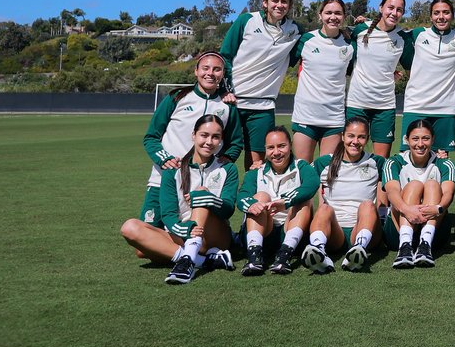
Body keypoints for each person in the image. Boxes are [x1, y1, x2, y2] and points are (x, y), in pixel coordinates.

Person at [121, 115, 239, 284]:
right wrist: (186, 230)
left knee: (201, 193)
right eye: (204, 135)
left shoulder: (227, 168)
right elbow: (168, 214)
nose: (209, 141)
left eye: (215, 137)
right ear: (193, 135)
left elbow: (228, 209)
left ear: (221, 140)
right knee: (130, 228)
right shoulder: (173, 169)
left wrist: (206, 198)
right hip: (184, 233)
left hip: (215, 235)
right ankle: (203, 260)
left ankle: (187, 264)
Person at [135, 52, 240, 231]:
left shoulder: (227, 106)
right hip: (163, 179)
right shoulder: (177, 98)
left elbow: (236, 142)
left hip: (202, 185)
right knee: (144, 241)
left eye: (216, 69)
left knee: (200, 231)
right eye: (205, 68)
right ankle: (182, 249)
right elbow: (151, 137)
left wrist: (225, 159)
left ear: (223, 74)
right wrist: (164, 159)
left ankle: (196, 249)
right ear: (196, 71)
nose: (210, 73)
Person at [220, 0, 303, 168]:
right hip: (234, 101)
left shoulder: (295, 30)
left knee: (256, 162)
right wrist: (226, 89)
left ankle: (250, 195)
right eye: (275, 0)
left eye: (284, 1)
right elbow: (225, 56)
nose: (279, 5)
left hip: (263, 106)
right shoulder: (246, 21)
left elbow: (311, 44)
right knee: (221, 155)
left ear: (289, 5)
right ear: (265, 2)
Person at [302, 116, 383, 273]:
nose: (355, 141)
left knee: (367, 205)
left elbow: (403, 170)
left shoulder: (376, 162)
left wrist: (436, 160)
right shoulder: (324, 162)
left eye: (361, 137)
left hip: (365, 227)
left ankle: (359, 248)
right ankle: (319, 251)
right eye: (351, 136)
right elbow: (297, 173)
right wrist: (262, 165)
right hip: (334, 231)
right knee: (324, 209)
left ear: (367, 139)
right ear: (342, 136)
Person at [237, 126, 320, 276]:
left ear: (290, 145)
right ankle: (254, 256)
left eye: (281, 146)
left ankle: (284, 256)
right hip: (263, 232)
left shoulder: (301, 166)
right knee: (261, 196)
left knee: (305, 201)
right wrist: (252, 205)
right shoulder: (256, 171)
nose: (276, 152)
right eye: (271, 148)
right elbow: (241, 196)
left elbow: (312, 184)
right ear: (265, 150)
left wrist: (286, 201)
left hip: (292, 232)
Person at [400, 0, 455, 159]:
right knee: (407, 158)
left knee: (441, 160)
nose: (441, 17)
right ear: (431, 16)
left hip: (446, 109)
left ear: (453, 15)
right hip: (416, 106)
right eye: (436, 12)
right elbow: (390, 36)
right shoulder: (418, 34)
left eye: (446, 12)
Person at [347, 0, 413, 159]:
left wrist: (397, 75)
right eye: (390, 7)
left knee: (381, 162)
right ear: (381, 7)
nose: (394, 13)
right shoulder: (361, 30)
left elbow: (412, 70)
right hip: (357, 104)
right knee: (351, 158)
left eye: (399, 10)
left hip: (384, 107)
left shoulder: (402, 38)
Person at [383, 119, 455, 269]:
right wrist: (406, 209)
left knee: (431, 184)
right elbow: (392, 191)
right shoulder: (394, 162)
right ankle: (404, 247)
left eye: (426, 138)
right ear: (406, 140)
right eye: (415, 138)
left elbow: (448, 193)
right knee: (414, 185)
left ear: (433, 140)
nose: (420, 144)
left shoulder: (444, 163)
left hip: (435, 229)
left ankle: (425, 245)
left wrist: (438, 208)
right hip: (399, 228)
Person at [290, 0, 355, 163]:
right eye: (328, 12)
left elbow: (362, 69)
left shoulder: (349, 44)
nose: (333, 17)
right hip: (305, 116)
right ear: (320, 15)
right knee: (302, 173)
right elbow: (283, 62)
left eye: (338, 13)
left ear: (344, 16)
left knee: (326, 176)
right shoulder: (306, 40)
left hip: (333, 119)